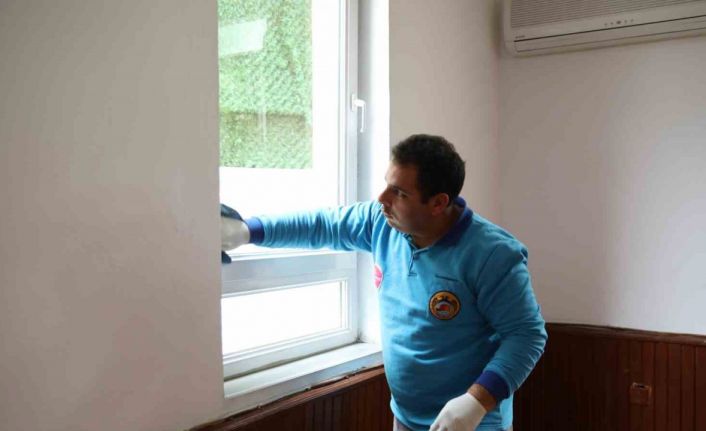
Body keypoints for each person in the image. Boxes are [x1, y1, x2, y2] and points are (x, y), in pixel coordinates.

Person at [221, 134, 547, 431]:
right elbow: (321, 224)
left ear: (438, 203)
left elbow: (527, 335)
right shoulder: (382, 223)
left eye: (400, 193)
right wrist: (248, 231)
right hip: (405, 416)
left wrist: (477, 401)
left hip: (471, 422)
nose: (382, 198)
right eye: (387, 185)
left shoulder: (493, 254)